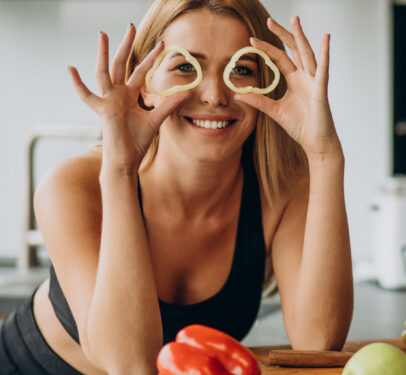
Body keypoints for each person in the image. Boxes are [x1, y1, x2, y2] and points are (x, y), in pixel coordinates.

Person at [0, 0, 353, 373]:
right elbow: (130, 363)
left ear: (265, 87)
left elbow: (319, 342)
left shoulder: (281, 187)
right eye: (186, 67)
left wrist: (326, 157)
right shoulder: (73, 185)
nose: (215, 95)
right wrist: (120, 171)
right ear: (146, 84)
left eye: (241, 69)